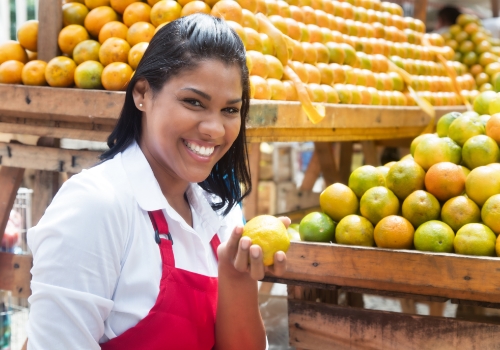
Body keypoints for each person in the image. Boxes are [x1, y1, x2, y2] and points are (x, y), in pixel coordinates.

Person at [26, 14, 289, 349]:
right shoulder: (95, 206)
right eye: (194, 102)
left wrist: (236, 276)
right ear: (142, 94)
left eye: (230, 110)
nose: (215, 129)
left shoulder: (219, 211)